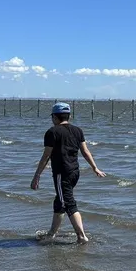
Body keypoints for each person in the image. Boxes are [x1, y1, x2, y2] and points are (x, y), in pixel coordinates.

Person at [31, 102, 106, 243]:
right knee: (60, 202)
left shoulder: (52, 132)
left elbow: (46, 156)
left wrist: (37, 176)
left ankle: (82, 236)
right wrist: (95, 168)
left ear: (54, 117)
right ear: (68, 116)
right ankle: (52, 234)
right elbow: (85, 151)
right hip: (74, 173)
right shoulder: (77, 130)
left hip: (61, 173)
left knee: (68, 203)